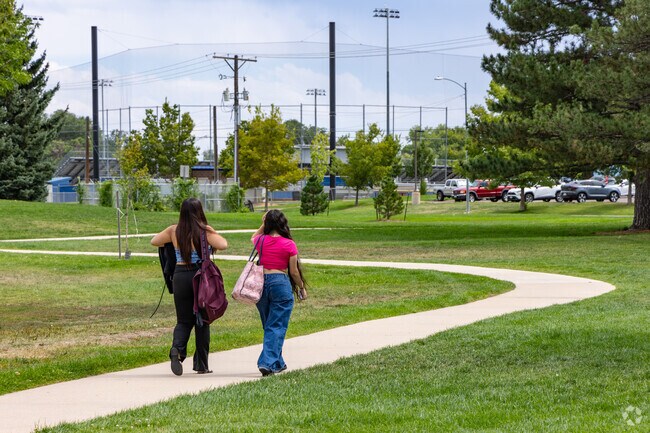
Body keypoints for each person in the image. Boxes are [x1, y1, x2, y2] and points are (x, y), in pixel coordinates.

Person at [151, 198, 228, 376]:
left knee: (184, 320)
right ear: (199, 211)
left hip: (179, 275)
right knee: (202, 320)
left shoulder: (173, 230)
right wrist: (212, 231)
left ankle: (176, 350)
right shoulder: (203, 231)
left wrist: (171, 242)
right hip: (199, 277)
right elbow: (223, 244)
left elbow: (154, 241)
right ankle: (201, 364)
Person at [251, 209, 307, 376]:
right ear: (283, 223)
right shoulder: (289, 244)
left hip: (261, 284)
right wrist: (302, 287)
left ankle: (278, 362)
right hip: (280, 282)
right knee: (276, 325)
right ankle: (266, 363)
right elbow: (294, 271)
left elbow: (253, 236)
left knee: (270, 325)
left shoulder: (260, 241)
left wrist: (263, 223)